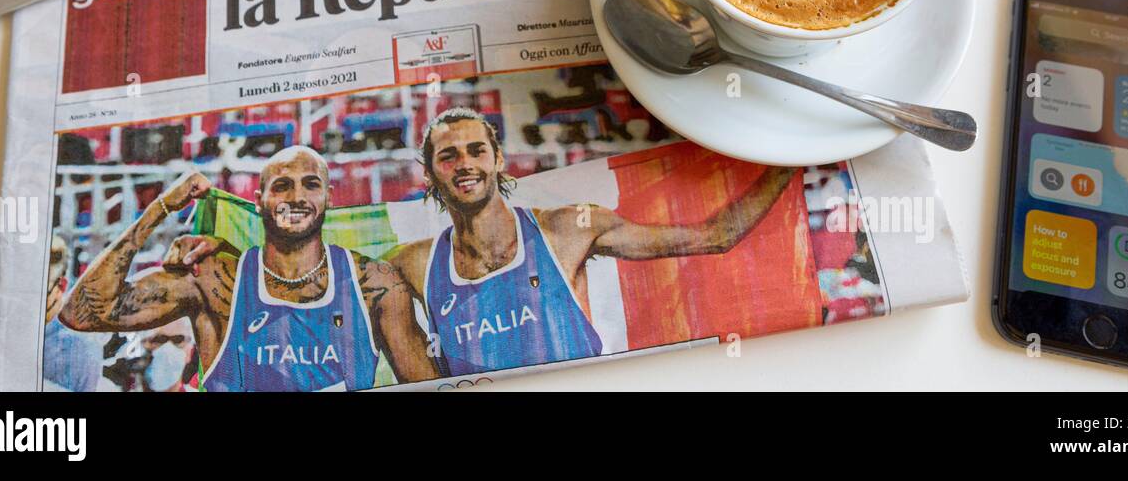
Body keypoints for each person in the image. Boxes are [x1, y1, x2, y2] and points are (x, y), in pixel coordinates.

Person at [176, 108, 796, 376]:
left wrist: (795, 156)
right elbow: (310, 276)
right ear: (432, 174)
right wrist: (224, 250)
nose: (465, 162)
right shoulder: (413, 265)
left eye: (477, 149)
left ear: (499, 159)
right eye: (448, 155)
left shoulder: (569, 228)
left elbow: (717, 237)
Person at [60, 146, 436, 390]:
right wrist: (160, 207)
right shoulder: (213, 279)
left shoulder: (374, 283)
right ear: (258, 201)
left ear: (329, 197)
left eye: (310, 185)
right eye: (282, 186)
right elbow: (81, 313)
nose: (297, 197)